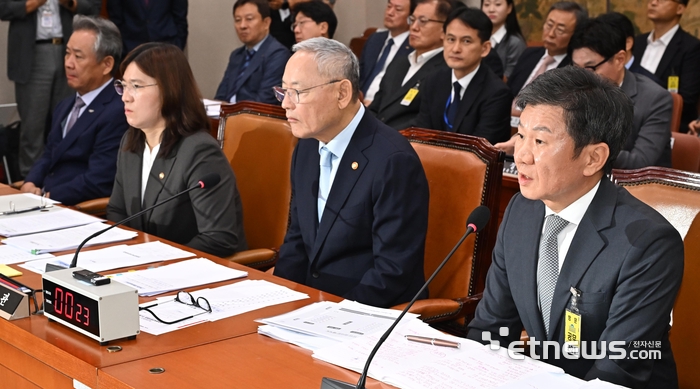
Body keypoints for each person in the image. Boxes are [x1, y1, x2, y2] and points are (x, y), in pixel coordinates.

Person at [467, 66, 683, 388]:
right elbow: (492, 328)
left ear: (594, 158)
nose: (522, 155)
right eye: (521, 136)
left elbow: (617, 371)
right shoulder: (522, 210)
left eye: (540, 140)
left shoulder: (649, 243)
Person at [273, 37, 429, 308]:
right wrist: (281, 300)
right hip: (311, 307)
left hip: (367, 312)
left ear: (342, 93)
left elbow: (392, 272)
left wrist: (333, 317)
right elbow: (298, 239)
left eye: (297, 92)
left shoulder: (393, 160)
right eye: (283, 91)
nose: (286, 104)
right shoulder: (307, 147)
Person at [107, 43, 247, 258]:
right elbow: (117, 212)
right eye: (123, 86)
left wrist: (157, 261)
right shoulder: (131, 141)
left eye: (136, 86)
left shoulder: (199, 151)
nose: (126, 96)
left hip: (192, 277)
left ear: (168, 89)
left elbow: (218, 238)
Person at [20, 16, 127, 205]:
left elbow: (98, 180)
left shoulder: (118, 110)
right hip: (45, 203)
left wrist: (46, 197)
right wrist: (31, 181)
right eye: (67, 53)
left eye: (78, 56)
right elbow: (49, 154)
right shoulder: (65, 105)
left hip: (75, 209)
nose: (69, 63)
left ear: (107, 64)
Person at [0, 0, 101, 179]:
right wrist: (34, 3)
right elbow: (4, 8)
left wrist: (69, 3)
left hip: (69, 50)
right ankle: (30, 182)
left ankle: (65, 179)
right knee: (32, 128)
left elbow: (92, 7)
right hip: (33, 54)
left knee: (70, 122)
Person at [570, 18, 672, 169]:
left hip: (637, 186)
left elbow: (640, 162)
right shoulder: (570, 89)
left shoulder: (655, 100)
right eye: (576, 68)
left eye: (590, 68)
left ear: (619, 59)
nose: (582, 77)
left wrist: (583, 148)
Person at [413, 7, 510, 144]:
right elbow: (421, 135)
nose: (455, 49)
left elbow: (480, 151)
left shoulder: (497, 94)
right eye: (451, 39)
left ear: (485, 48)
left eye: (466, 41)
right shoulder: (433, 80)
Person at [368, 0, 452, 130]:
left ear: (444, 30)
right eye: (412, 20)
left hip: (405, 143)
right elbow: (375, 107)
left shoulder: (446, 70)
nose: (413, 27)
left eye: (423, 21)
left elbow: (425, 123)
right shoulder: (399, 62)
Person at [633, 0, 700, 132]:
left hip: (666, 126)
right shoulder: (637, 43)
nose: (653, 3)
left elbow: (687, 98)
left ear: (680, 8)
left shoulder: (691, 47)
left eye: (661, 0)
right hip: (629, 120)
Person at [214, 0, 290, 105]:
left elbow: (265, 102)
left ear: (266, 23)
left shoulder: (278, 54)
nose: (242, 25)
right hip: (226, 116)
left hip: (253, 118)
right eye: (237, 20)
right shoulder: (236, 55)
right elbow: (220, 96)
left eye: (249, 19)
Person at [506, 1, 585, 98]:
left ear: (575, 34)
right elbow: (507, 92)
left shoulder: (573, 68)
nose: (551, 34)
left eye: (560, 30)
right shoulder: (529, 54)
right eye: (549, 25)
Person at [359, 0, 414, 106]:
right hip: (359, 103)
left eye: (398, 9)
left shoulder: (413, 46)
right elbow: (359, 75)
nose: (390, 12)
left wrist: (376, 105)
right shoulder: (375, 39)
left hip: (384, 108)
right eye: (389, 7)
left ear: (411, 18)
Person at [595, 12, 659, 84]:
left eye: (607, 40)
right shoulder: (594, 77)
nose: (599, 47)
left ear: (628, 43)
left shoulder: (650, 84)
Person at [106, 0, 188, 53]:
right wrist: (122, 49)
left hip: (167, 47)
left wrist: (178, 46)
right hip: (131, 48)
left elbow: (180, 18)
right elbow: (115, 19)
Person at [481, 0, 525, 79]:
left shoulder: (515, 42)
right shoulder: (478, 37)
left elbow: (509, 79)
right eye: (487, 4)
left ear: (509, 8)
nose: (491, 9)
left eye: (497, 4)